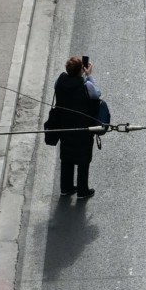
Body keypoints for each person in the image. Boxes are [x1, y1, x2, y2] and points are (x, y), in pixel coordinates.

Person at [49, 55, 102, 198]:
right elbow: (97, 94)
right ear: (81, 71)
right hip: (83, 128)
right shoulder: (86, 86)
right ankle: (82, 190)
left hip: (64, 126)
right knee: (83, 158)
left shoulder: (60, 81)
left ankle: (66, 188)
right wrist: (89, 76)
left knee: (66, 157)